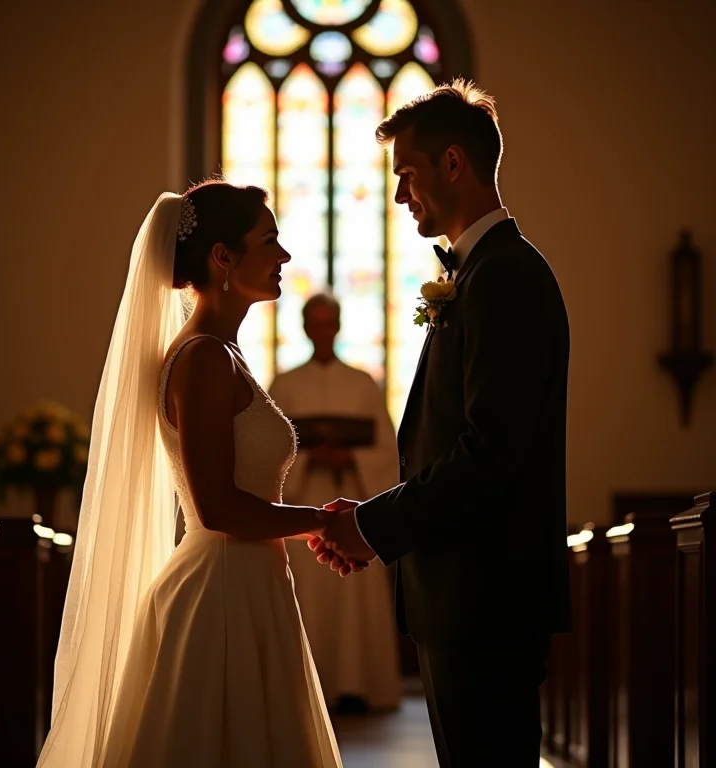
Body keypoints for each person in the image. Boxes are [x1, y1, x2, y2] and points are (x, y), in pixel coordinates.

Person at [36, 180, 354, 767]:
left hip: (250, 582)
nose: (283, 256)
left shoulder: (223, 354)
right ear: (223, 257)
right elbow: (217, 507)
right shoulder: (203, 357)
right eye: (269, 240)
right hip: (221, 591)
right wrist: (324, 521)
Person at [311, 79, 572, 767]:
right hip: (463, 594)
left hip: (485, 598)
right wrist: (374, 520)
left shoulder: (505, 277)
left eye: (407, 175)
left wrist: (372, 524)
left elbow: (489, 452)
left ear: (453, 164)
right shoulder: (483, 272)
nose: (401, 196)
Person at [269, 293, 401, 713]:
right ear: (306, 327)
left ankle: (358, 685)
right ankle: (311, 686)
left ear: (338, 326)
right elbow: (268, 451)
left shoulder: (363, 383)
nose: (323, 330)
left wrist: (352, 457)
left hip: (353, 506)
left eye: (330, 322)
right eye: (315, 322)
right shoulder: (285, 384)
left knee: (355, 596)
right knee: (309, 594)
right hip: (305, 506)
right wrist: (309, 457)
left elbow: (388, 452)